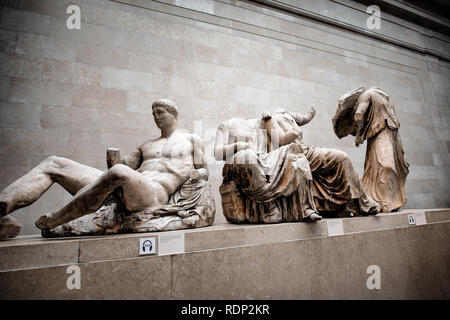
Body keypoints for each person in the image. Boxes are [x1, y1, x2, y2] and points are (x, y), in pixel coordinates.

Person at [0, 99, 207, 237]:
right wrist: (113, 157)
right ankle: (4, 206)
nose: (156, 117)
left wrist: (196, 173)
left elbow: (204, 171)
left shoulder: (191, 139)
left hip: (153, 196)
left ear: (174, 114)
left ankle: (56, 219)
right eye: (153, 113)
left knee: (120, 173)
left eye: (160, 112)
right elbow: (117, 168)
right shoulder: (146, 145)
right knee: (55, 163)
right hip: (124, 187)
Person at [262, 108, 381, 216]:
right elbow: (281, 139)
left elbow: (304, 118)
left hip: (306, 151)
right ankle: (362, 202)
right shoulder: (269, 118)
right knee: (341, 157)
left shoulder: (288, 115)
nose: (282, 109)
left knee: (341, 158)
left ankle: (350, 202)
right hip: (294, 155)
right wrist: (294, 133)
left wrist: (311, 113)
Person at [353, 87, 409, 212]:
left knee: (399, 169)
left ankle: (390, 200)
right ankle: (382, 201)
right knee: (386, 165)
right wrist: (359, 134)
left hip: (393, 135)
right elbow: (358, 115)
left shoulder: (386, 97)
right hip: (379, 133)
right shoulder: (367, 94)